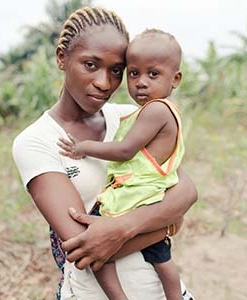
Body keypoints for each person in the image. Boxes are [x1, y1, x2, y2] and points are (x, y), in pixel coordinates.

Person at [12, 6, 197, 300]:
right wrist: (164, 224)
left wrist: (122, 228)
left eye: (116, 71)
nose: (104, 82)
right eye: (90, 65)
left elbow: (186, 192)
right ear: (62, 57)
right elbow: (84, 248)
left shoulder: (133, 119)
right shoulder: (37, 141)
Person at [57, 28, 185, 300]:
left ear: (175, 79)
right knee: (163, 260)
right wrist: (166, 223)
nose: (140, 82)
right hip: (153, 199)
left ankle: (118, 297)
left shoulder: (155, 110)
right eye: (133, 73)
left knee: (99, 250)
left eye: (153, 74)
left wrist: (84, 147)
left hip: (134, 197)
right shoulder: (150, 112)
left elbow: (125, 150)